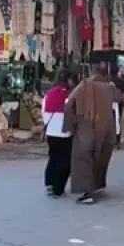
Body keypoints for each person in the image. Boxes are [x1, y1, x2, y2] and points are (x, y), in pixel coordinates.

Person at [63, 62, 121, 204]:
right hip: (106, 129)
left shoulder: (84, 85)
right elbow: (121, 98)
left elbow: (69, 103)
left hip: (86, 127)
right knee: (100, 158)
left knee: (84, 159)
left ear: (91, 72)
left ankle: (86, 194)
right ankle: (97, 186)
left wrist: (70, 125)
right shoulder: (109, 87)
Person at [42, 70, 73, 198]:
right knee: (65, 160)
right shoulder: (70, 94)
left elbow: (43, 112)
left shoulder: (49, 93)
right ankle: (58, 188)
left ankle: (49, 183)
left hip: (51, 132)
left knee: (53, 157)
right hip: (66, 132)